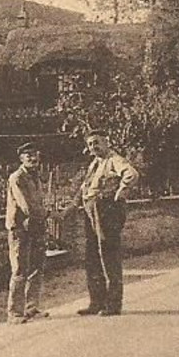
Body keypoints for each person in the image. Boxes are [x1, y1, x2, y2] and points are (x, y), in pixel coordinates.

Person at [78, 130, 139, 315]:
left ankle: (113, 304)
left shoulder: (114, 159)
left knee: (108, 256)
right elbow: (84, 188)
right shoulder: (95, 163)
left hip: (106, 211)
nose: (93, 147)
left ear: (107, 142)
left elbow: (132, 174)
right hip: (91, 210)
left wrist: (120, 193)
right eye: (90, 144)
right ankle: (97, 302)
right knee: (92, 258)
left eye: (97, 142)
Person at [5, 142, 49, 324]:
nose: (32, 158)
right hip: (20, 228)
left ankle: (31, 308)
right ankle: (14, 313)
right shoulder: (17, 178)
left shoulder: (35, 177)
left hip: (36, 226)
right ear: (21, 158)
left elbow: (38, 202)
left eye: (34, 154)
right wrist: (47, 214)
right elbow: (26, 205)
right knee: (20, 269)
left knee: (37, 268)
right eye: (27, 155)